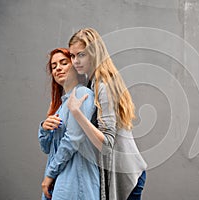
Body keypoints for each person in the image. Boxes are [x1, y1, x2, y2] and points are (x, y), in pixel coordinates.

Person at [67, 28, 147, 200]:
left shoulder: (103, 86)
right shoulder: (93, 82)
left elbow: (107, 143)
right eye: (72, 56)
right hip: (125, 173)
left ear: (94, 53)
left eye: (81, 55)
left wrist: (76, 113)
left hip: (126, 178)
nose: (75, 61)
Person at [38, 48, 100, 200]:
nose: (58, 68)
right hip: (60, 179)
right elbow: (47, 148)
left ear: (75, 66)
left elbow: (73, 139)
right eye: (54, 66)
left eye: (63, 63)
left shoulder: (82, 94)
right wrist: (44, 129)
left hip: (77, 179)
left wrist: (49, 175)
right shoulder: (59, 106)